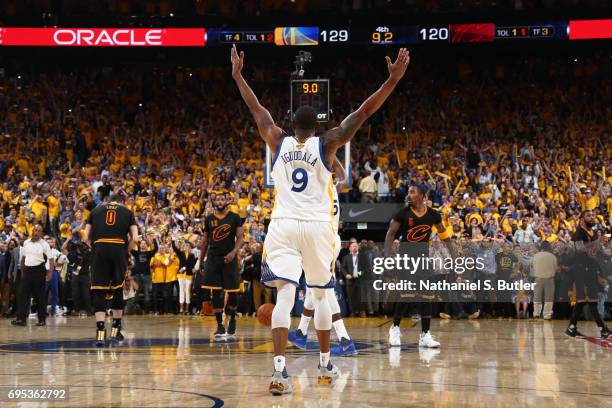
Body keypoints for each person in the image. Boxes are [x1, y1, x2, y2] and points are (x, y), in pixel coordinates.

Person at [231, 43, 409, 394]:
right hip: (316, 227)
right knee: (322, 294)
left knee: (284, 297)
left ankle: (280, 372)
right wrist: (391, 81)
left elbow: (256, 108)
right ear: (316, 127)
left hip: (282, 225)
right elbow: (362, 112)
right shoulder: (327, 144)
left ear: (291, 123)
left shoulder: (276, 140)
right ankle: (325, 366)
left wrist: (238, 75)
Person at [288, 158, 357, 356]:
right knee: (313, 289)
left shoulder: (315, 192)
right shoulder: (333, 187)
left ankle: (344, 340)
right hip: (330, 239)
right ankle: (301, 331)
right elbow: (346, 179)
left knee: (323, 292)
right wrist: (331, 158)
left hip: (322, 242)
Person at [385, 185, 455, 348]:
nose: (409, 195)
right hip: (406, 258)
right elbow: (390, 235)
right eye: (408, 192)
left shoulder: (433, 215)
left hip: (423, 259)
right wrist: (388, 258)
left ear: (422, 196)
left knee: (427, 296)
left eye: (412, 192)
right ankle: (395, 328)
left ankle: (425, 335)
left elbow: (444, 236)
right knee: (406, 295)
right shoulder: (402, 213)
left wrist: (454, 256)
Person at [84, 193, 138, 347]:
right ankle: (115, 331)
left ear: (107, 201)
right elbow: (135, 238)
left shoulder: (95, 211)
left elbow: (86, 237)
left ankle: (100, 333)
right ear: (122, 202)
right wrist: (125, 251)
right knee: (117, 288)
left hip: (99, 248)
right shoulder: (127, 212)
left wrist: (95, 249)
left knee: (99, 290)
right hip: (118, 249)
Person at [199, 191, 244, 337]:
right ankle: (219, 325)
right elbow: (205, 241)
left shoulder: (235, 217)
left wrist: (233, 252)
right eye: (216, 199)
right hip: (213, 258)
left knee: (232, 292)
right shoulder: (208, 219)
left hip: (229, 258)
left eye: (222, 199)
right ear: (213, 202)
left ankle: (232, 318)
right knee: (215, 292)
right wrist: (201, 261)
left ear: (227, 201)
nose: (219, 201)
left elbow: (240, 238)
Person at [564, 211, 610, 339]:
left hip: (591, 269)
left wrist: (603, 248)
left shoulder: (594, 233)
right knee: (590, 300)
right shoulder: (578, 233)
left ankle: (571, 327)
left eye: (593, 215)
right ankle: (603, 329)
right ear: (582, 220)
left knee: (584, 301)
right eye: (589, 216)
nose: (592, 217)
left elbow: (594, 252)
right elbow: (580, 249)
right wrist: (597, 242)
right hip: (581, 270)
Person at [11, 224, 54, 327]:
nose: (36, 232)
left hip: (39, 270)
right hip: (27, 271)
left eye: (39, 231)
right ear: (32, 231)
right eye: (35, 230)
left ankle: (41, 319)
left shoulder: (44, 244)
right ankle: (21, 319)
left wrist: (50, 273)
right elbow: (23, 258)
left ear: (41, 233)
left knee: (40, 297)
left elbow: (51, 259)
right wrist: (22, 272)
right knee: (22, 295)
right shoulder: (26, 242)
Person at [532, 241, 558, 320]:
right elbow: (555, 268)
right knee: (549, 298)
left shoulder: (536, 256)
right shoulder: (552, 256)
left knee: (537, 297)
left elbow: (533, 267)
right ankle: (547, 315)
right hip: (549, 279)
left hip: (538, 278)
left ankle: (536, 314)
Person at [172, 238, 197, 315]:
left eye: (188, 246)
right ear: (183, 246)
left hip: (188, 275)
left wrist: (184, 268)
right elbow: (174, 248)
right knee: (181, 291)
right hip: (180, 275)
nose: (186, 247)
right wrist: (173, 240)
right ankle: (181, 309)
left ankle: (187, 309)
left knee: (187, 291)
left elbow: (192, 265)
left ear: (190, 247)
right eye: (185, 245)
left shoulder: (192, 255)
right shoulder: (180, 253)